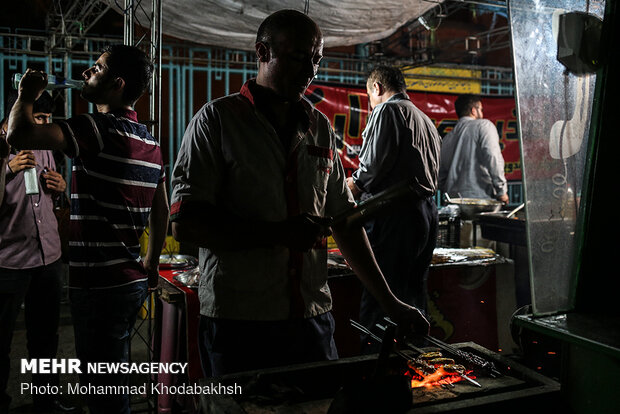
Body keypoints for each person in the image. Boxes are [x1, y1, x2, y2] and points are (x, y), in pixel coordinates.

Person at [170, 9, 430, 377]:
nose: (310, 71)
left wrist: (392, 303)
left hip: (311, 317)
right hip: (240, 321)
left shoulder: (319, 127)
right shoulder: (217, 121)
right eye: (298, 58)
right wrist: (279, 234)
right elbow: (186, 223)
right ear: (263, 53)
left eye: (316, 60)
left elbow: (347, 222)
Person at [7, 45, 170, 414]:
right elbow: (161, 211)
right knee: (113, 381)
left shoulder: (95, 129)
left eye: (96, 69)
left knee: (104, 397)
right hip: (130, 281)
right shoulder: (151, 142)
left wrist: (26, 95)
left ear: (116, 83)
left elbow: (17, 135)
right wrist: (151, 263)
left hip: (98, 286)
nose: (85, 73)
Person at [346, 66, 441, 353]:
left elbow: (370, 170)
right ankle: (415, 361)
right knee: (413, 294)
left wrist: (343, 189)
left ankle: (379, 369)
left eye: (368, 96)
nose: (370, 103)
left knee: (382, 294)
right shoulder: (425, 119)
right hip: (426, 214)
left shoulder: (387, 112)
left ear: (376, 87)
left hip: (395, 216)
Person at [0, 92, 75, 413]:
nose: (44, 126)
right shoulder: (0, 150)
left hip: (48, 258)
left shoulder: (46, 150)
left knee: (45, 338)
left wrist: (62, 190)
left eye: (47, 120)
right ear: (11, 121)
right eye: (38, 119)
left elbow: (55, 205)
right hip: (8, 262)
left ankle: (46, 401)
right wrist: (6, 170)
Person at [438, 94, 509, 203]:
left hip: (453, 202)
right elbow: (493, 157)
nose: (482, 113)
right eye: (481, 109)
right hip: (480, 199)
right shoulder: (484, 126)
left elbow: (440, 175)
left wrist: (449, 192)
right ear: (473, 111)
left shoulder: (447, 138)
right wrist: (502, 191)